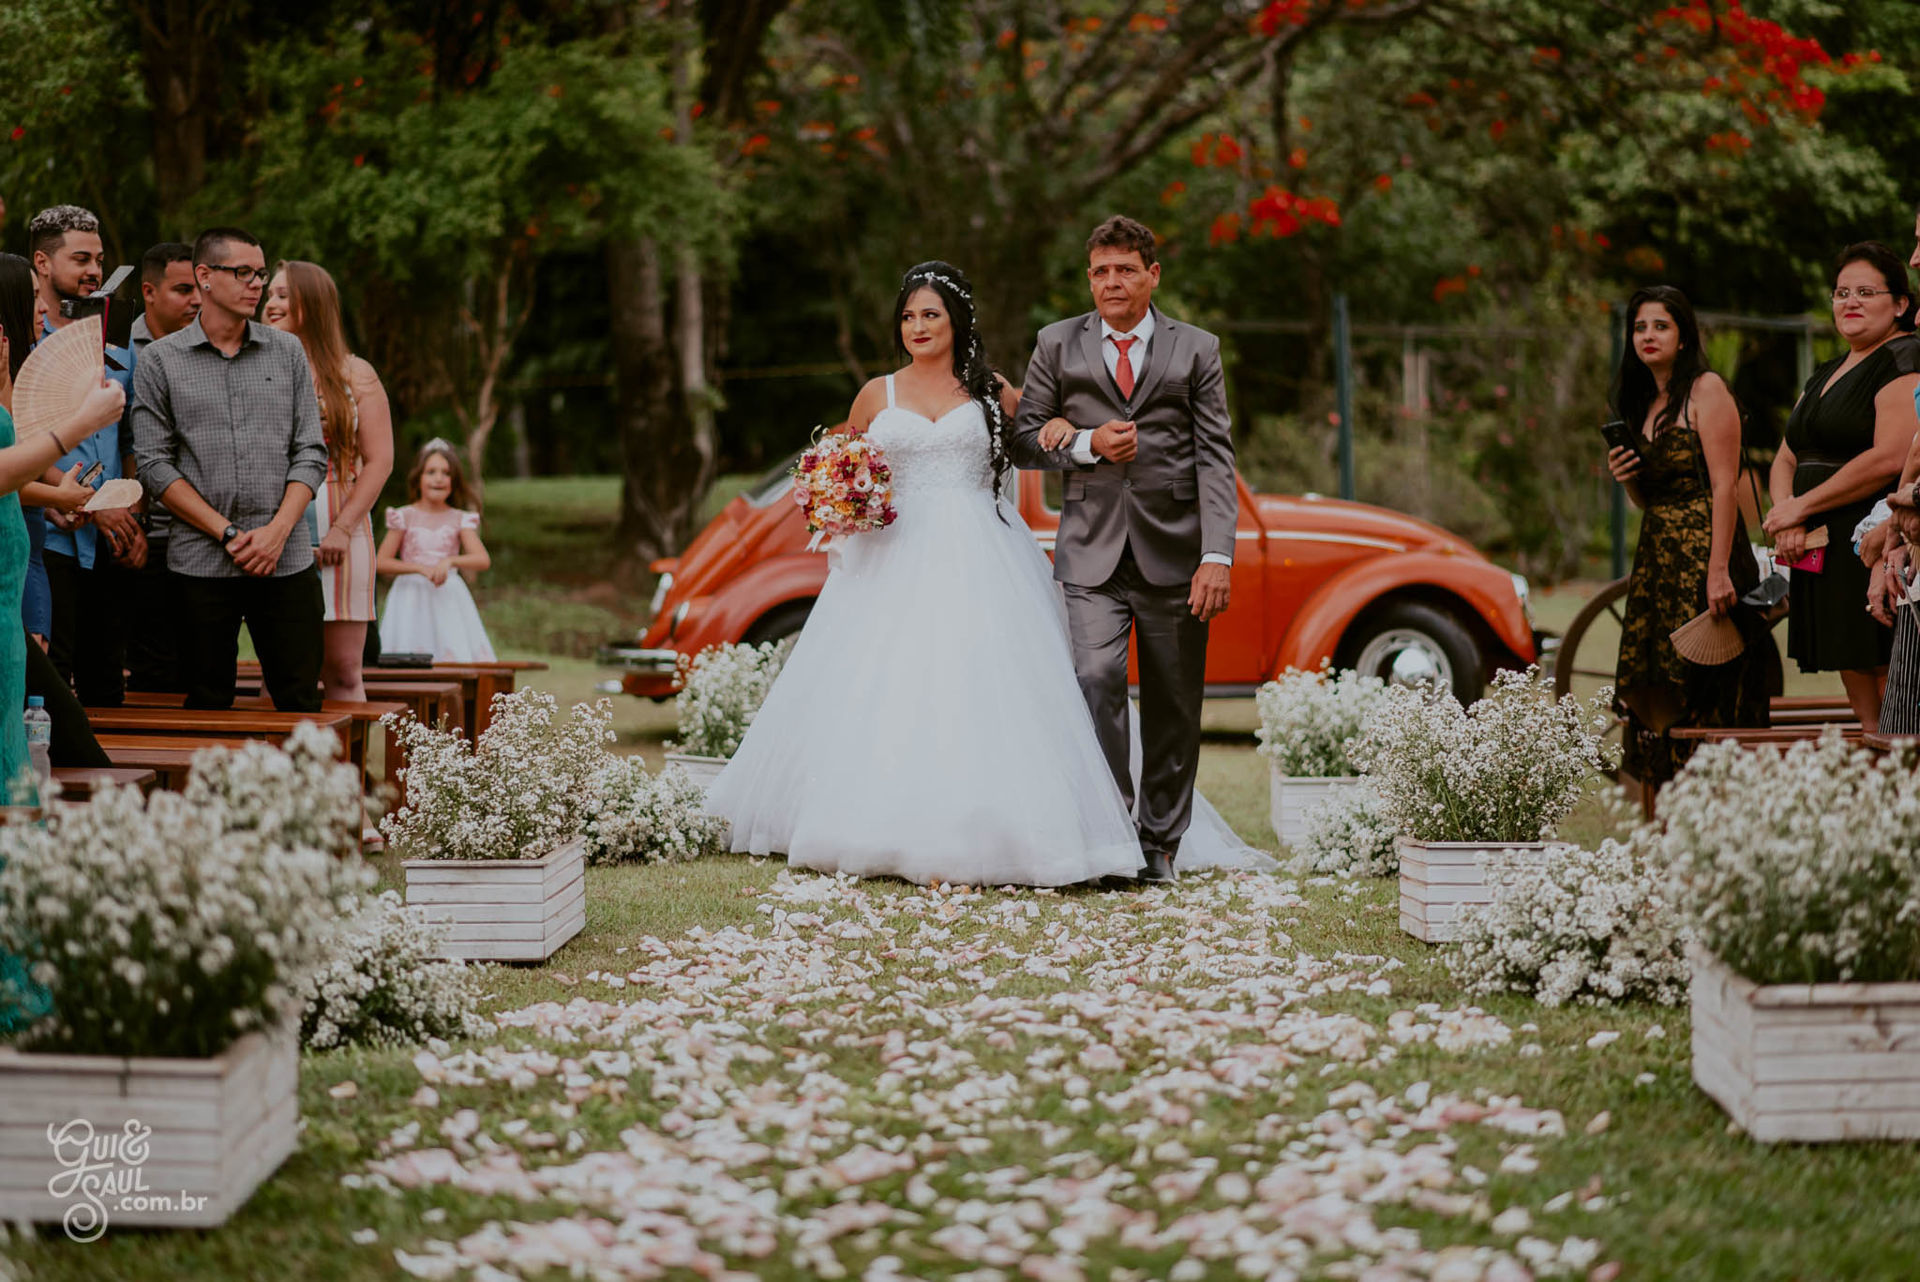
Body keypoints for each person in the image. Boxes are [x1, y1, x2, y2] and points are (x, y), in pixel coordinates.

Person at [704, 261, 1262, 886]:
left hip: (983, 557)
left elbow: (1040, 446)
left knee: (991, 686)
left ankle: (1030, 825)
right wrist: (836, 498)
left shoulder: (992, 392)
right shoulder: (876, 394)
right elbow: (841, 459)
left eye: (931, 315)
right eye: (909, 316)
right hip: (891, 558)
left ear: (956, 321)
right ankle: (878, 820)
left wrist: (1086, 440)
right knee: (886, 687)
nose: (917, 326)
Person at [1008, 215, 1238, 884]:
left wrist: (1216, 556)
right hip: (1090, 554)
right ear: (1089, 278)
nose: (1112, 282)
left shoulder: (1197, 349)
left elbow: (1215, 459)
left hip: (1176, 552)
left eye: (1125, 270)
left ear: (1152, 275)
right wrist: (1084, 443)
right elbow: (1024, 440)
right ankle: (1111, 834)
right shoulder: (1057, 344)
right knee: (1095, 680)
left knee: (1173, 698)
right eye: (1101, 271)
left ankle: (1160, 842)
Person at [130, 227, 328, 713]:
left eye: (259, 273)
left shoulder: (288, 352)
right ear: (205, 276)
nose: (256, 284)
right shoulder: (159, 361)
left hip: (286, 557)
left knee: (300, 702)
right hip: (199, 559)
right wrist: (229, 533)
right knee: (206, 702)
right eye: (242, 273)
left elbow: (311, 450)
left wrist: (278, 532)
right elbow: (154, 465)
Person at [1604, 286, 1770, 790]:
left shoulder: (1706, 389)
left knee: (1705, 683)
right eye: (1640, 327)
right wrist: (1627, 475)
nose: (1648, 336)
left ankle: (1721, 803)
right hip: (1658, 561)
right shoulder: (1643, 403)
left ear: (1683, 335)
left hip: (1706, 554)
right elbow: (1645, 500)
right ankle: (1671, 810)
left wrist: (1718, 571)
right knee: (1658, 684)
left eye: (1661, 326)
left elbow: (1724, 486)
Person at [1765, 242, 1920, 732]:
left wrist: (1801, 508)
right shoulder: (1827, 372)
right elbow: (1787, 456)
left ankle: (1898, 767)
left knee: (1879, 659)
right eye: (1841, 292)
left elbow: (1890, 457)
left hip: (1867, 536)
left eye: (1866, 291)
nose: (1849, 301)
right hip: (1816, 539)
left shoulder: (1902, 357)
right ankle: (1875, 759)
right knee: (1850, 660)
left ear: (1900, 304)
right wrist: (1789, 516)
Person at [0, 254, 128, 788]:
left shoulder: (5, 361)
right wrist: (79, 425)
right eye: (31, 296)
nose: (41, 308)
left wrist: (54, 492)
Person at [262, 261, 394, 700]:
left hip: (344, 521)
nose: (270, 303)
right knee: (280, 671)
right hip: (275, 525)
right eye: (270, 295)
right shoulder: (258, 369)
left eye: (283, 295)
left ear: (313, 303)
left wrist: (342, 528)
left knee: (342, 670)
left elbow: (379, 461)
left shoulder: (355, 373)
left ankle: (345, 769)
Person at [29, 205, 142, 707]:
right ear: (43, 263)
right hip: (55, 534)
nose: (95, 271)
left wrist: (129, 513)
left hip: (113, 540)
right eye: (81, 259)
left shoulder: (119, 351)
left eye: (99, 259)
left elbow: (130, 444)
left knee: (107, 688)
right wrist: (86, 501)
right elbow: (21, 442)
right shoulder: (24, 345)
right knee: (49, 686)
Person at [121, 242, 200, 692]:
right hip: (143, 533)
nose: (195, 300)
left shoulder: (212, 344)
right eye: (183, 289)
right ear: (149, 292)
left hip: (200, 535)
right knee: (154, 673)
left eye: (199, 289)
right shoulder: (117, 349)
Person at [376, 440, 495, 662]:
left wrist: (450, 561)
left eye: (446, 473)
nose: (439, 478)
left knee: (452, 655)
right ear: (418, 478)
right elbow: (381, 562)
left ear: (454, 481)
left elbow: (482, 559)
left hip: (447, 596)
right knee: (406, 661)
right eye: (431, 472)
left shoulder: (460, 519)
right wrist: (419, 569)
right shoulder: (404, 516)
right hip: (409, 597)